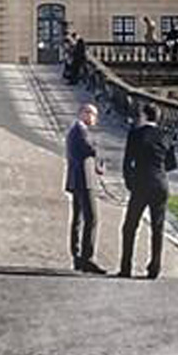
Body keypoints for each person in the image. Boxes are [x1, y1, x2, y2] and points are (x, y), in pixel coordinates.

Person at [119, 103, 178, 279]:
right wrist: (158, 171)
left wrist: (130, 182)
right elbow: (172, 164)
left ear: (144, 116)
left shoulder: (135, 135)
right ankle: (154, 268)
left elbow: (127, 162)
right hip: (160, 184)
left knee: (130, 226)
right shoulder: (166, 135)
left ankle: (126, 267)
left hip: (140, 184)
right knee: (157, 228)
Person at [64, 103, 106, 274]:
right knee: (91, 218)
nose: (94, 118)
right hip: (83, 180)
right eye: (92, 114)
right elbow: (90, 149)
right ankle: (86, 257)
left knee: (78, 219)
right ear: (84, 113)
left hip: (79, 179)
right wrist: (99, 155)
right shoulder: (80, 131)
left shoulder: (77, 130)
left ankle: (78, 256)